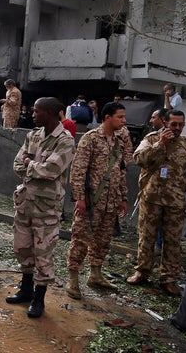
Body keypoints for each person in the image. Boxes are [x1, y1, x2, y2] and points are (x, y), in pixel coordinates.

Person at [6, 97, 75, 318]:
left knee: (43, 254)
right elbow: (16, 164)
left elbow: (51, 171)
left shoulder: (65, 141)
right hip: (25, 202)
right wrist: (32, 166)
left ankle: (39, 298)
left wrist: (29, 163)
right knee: (22, 247)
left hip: (46, 209)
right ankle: (25, 290)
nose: (33, 115)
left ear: (52, 112)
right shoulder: (32, 135)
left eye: (37, 112)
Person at [65, 102, 129, 299]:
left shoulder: (119, 141)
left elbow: (121, 170)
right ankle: (73, 279)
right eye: (120, 117)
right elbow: (78, 170)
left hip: (111, 202)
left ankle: (95, 274)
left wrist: (124, 197)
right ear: (107, 117)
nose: (124, 121)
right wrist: (79, 198)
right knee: (81, 240)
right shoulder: (90, 138)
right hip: (92, 201)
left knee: (103, 241)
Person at [127, 110, 186, 296]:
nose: (177, 128)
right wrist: (160, 144)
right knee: (146, 236)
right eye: (174, 124)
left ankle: (169, 279)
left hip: (175, 202)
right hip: (151, 198)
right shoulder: (151, 138)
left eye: (181, 125)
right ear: (165, 123)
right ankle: (142, 271)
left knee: (172, 241)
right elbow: (138, 159)